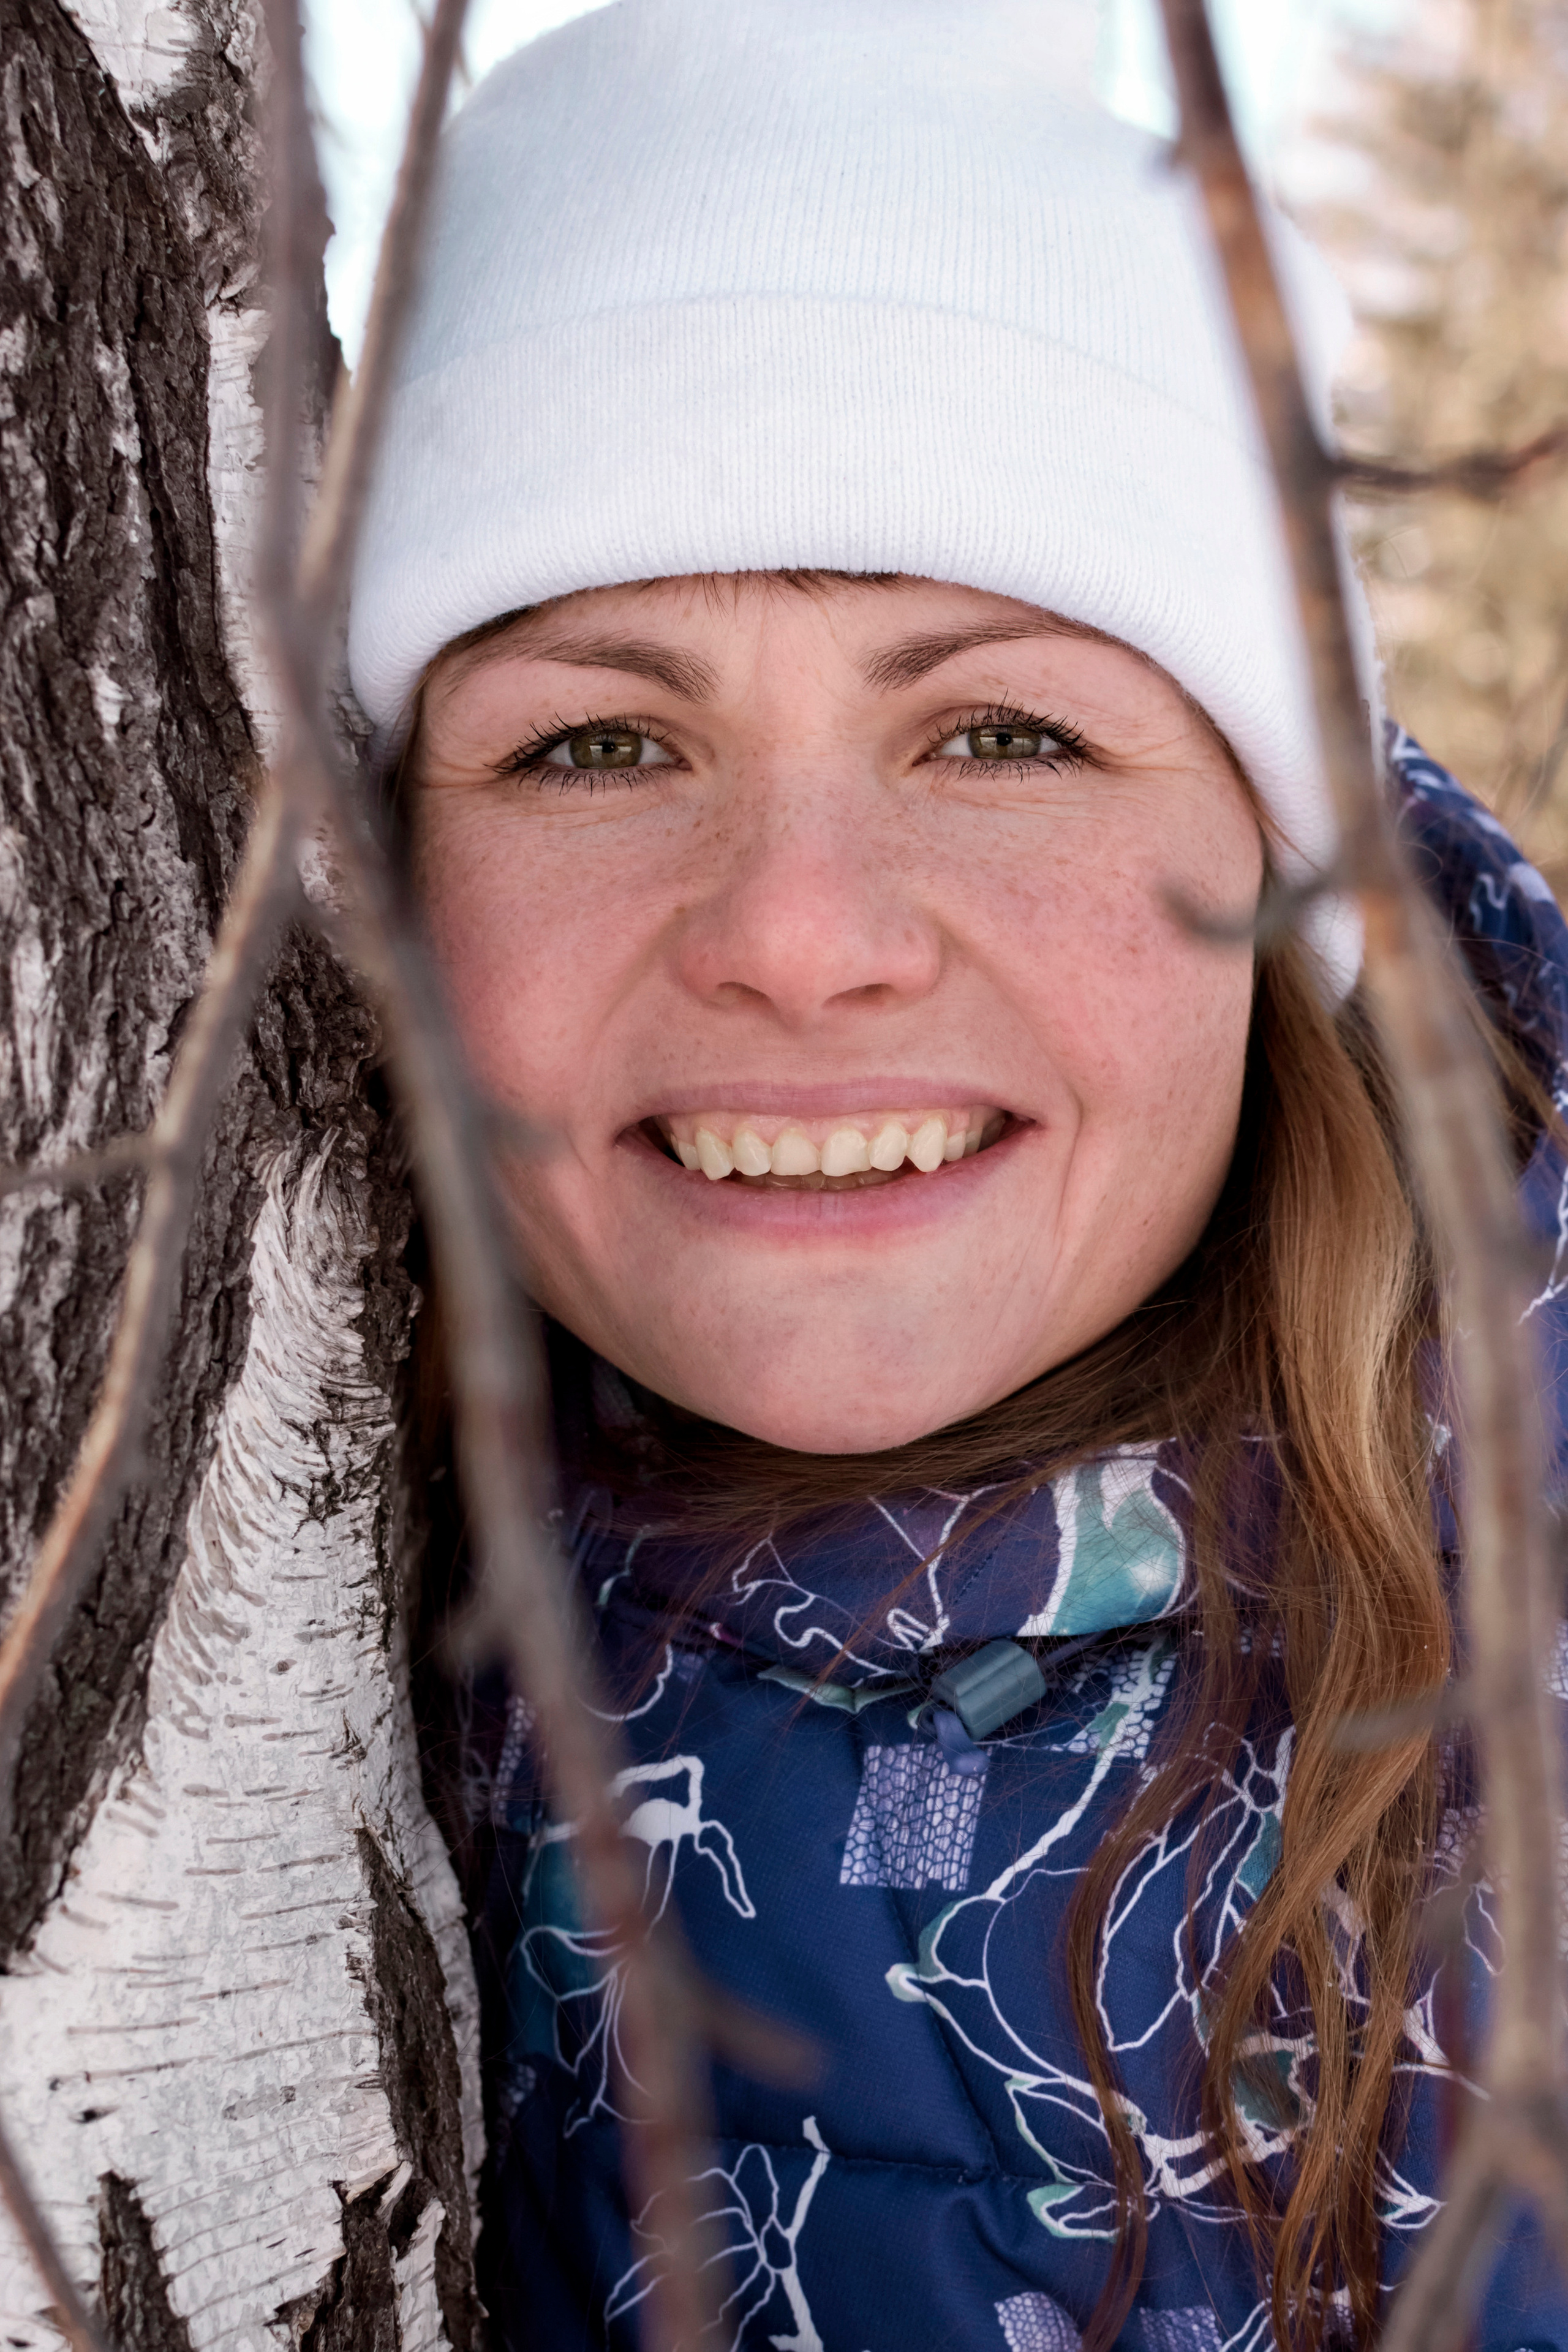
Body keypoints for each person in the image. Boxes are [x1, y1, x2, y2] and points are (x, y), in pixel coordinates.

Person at [349, 3, 1568, 2345]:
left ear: (1281, 872)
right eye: (598, 741)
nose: (801, 937)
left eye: (1004, 729)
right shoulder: (272, 1690)